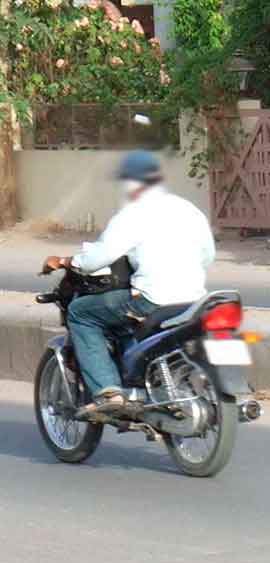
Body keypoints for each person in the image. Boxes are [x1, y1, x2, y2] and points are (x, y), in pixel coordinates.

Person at [42, 150, 216, 418]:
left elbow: (97, 258)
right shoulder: (188, 209)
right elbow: (208, 255)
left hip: (153, 298)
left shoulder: (133, 214)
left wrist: (67, 261)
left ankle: (109, 392)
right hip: (193, 298)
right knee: (122, 312)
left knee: (81, 313)